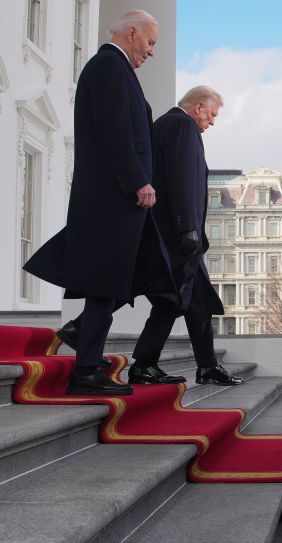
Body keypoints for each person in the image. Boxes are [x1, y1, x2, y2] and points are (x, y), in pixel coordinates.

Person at [23, 9, 174, 395]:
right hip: (113, 201)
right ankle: (85, 370)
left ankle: (86, 354)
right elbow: (114, 132)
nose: (152, 51)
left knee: (122, 281)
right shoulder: (109, 66)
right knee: (105, 285)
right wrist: (138, 181)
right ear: (132, 33)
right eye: (151, 42)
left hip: (115, 201)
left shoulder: (116, 69)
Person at [126, 86, 243, 387]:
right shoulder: (180, 125)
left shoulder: (173, 124)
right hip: (178, 234)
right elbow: (180, 180)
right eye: (212, 115)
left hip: (178, 233)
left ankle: (207, 366)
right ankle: (142, 362)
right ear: (198, 107)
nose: (212, 122)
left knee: (197, 301)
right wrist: (186, 226)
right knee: (171, 298)